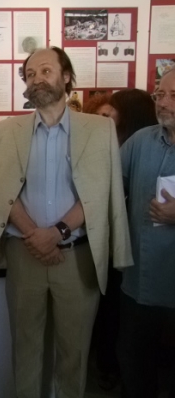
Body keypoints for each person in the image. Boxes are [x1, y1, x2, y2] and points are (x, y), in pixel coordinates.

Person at [0, 47, 132, 398]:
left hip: (77, 259)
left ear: (67, 77)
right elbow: (1, 192)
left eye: (46, 71)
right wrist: (36, 236)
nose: (37, 79)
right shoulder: (7, 131)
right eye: (30, 74)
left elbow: (100, 191)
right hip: (24, 254)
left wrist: (57, 232)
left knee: (74, 354)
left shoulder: (100, 129)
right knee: (25, 349)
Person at [87, 88, 157, 390]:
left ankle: (111, 367)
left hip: (130, 248)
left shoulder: (137, 145)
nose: (107, 115)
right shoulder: (131, 144)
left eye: (112, 109)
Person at [118, 69, 175, 398]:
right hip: (139, 284)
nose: (163, 103)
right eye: (159, 94)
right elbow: (109, 185)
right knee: (136, 368)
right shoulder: (141, 141)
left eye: (173, 96)